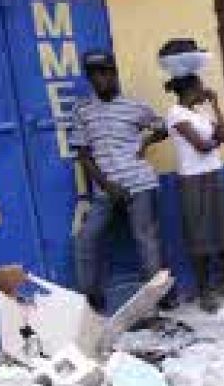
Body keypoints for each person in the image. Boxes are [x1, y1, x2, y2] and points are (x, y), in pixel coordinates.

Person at [72, 50, 173, 313]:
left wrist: (146, 142)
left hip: (139, 183)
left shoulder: (134, 107)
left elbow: (162, 127)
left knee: (146, 240)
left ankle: (157, 300)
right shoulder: (83, 110)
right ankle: (92, 303)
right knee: (86, 239)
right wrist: (107, 186)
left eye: (104, 73)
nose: (100, 79)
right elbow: (83, 154)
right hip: (106, 188)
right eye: (94, 75)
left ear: (114, 74)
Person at [158, 41, 224, 312]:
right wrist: (215, 140)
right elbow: (201, 145)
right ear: (191, 89)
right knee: (199, 238)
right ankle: (206, 292)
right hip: (192, 180)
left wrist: (216, 106)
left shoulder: (201, 113)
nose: (204, 91)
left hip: (215, 175)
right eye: (200, 87)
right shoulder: (175, 114)